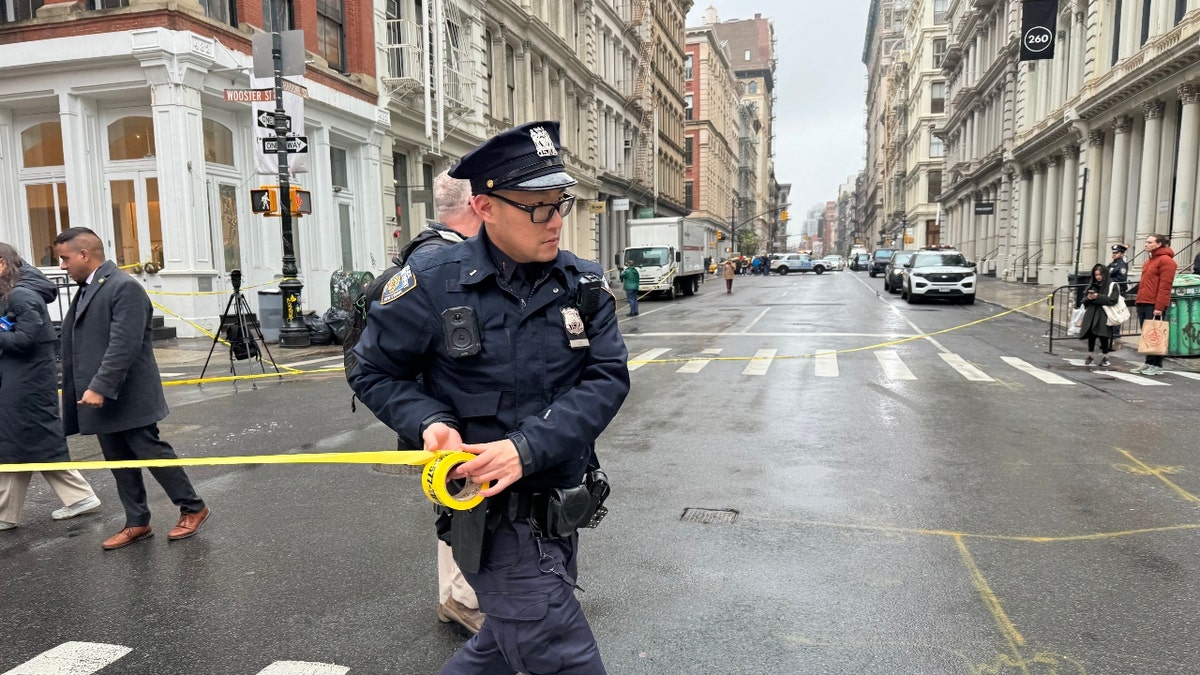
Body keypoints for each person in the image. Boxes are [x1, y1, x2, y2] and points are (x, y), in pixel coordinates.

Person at [349, 120, 630, 674]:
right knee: (566, 658)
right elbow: (373, 370)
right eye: (538, 208)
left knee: (498, 650)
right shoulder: (430, 281)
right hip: (490, 514)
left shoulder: (582, 283)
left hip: (562, 505)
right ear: (484, 207)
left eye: (560, 204)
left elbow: (607, 380)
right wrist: (429, 420)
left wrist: (526, 448)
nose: (555, 222)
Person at [54, 227, 209, 550]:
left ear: (85, 254)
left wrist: (100, 386)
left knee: (150, 450)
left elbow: (123, 345)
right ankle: (137, 521)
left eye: (65, 258)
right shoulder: (88, 287)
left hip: (127, 394)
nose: (62, 266)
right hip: (102, 397)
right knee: (118, 459)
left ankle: (193, 507)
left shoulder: (123, 286)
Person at [0, 244, 102, 531]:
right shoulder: (14, 293)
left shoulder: (20, 295)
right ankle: (9, 512)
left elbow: (26, 339)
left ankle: (78, 497)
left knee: (24, 439)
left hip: (28, 380)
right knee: (19, 440)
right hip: (21, 377)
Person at [1131, 234, 1178, 376]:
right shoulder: (1150, 261)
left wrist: (1159, 307)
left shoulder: (1166, 261)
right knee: (1147, 334)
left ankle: (1157, 365)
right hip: (1144, 301)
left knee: (1156, 334)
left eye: (1149, 242)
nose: (1146, 244)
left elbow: (1165, 286)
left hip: (1153, 303)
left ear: (1158, 244)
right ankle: (1148, 362)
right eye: (1146, 242)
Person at [1076, 263, 1120, 368]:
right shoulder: (1092, 284)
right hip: (1092, 312)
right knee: (1091, 334)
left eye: (1100, 275)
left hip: (1104, 313)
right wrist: (1089, 298)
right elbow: (1084, 300)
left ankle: (1105, 357)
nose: (1098, 277)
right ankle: (1090, 355)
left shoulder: (1111, 285)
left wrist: (1098, 297)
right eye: (1096, 275)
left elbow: (1113, 300)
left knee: (1103, 335)